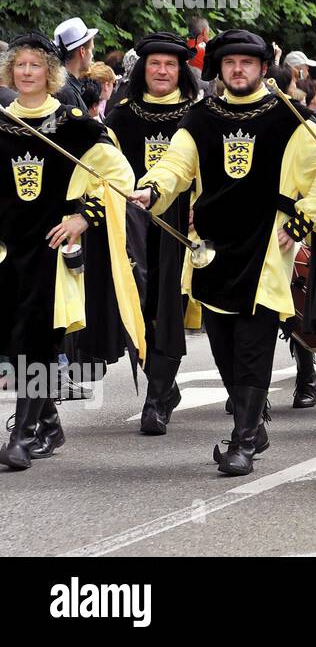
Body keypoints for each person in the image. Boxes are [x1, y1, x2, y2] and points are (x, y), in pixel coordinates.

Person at [132, 29, 316, 477]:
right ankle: (251, 423)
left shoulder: (290, 117)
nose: (237, 69)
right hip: (211, 246)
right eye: (229, 63)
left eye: (246, 62)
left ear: (264, 68)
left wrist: (301, 219)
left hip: (265, 247)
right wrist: (152, 187)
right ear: (219, 70)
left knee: (252, 344)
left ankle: (243, 439)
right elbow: (175, 164)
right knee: (222, 344)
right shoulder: (202, 116)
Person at [1, 34, 143, 469]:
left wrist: (86, 216)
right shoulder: (1, 121)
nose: (26, 72)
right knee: (12, 340)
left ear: (51, 72)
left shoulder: (72, 123)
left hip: (51, 246)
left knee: (36, 336)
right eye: (20, 65)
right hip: (8, 249)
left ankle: (23, 436)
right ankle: (49, 423)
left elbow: (119, 172)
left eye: (35, 66)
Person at [106, 32, 200, 436]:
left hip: (181, 224)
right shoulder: (121, 116)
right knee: (137, 309)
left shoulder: (198, 114)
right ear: (143, 69)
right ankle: (163, 383)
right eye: (155, 64)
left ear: (181, 71)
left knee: (168, 309)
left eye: (170, 64)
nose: (162, 71)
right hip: (132, 227)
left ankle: (157, 398)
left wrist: (202, 206)